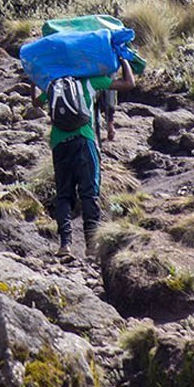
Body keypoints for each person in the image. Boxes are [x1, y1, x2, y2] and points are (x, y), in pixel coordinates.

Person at [31, 56, 135, 259]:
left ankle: (65, 245)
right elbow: (128, 83)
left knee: (63, 195)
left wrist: (33, 78)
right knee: (89, 194)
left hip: (59, 144)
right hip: (84, 140)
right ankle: (91, 246)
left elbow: (35, 102)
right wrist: (123, 60)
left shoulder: (54, 85)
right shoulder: (90, 81)